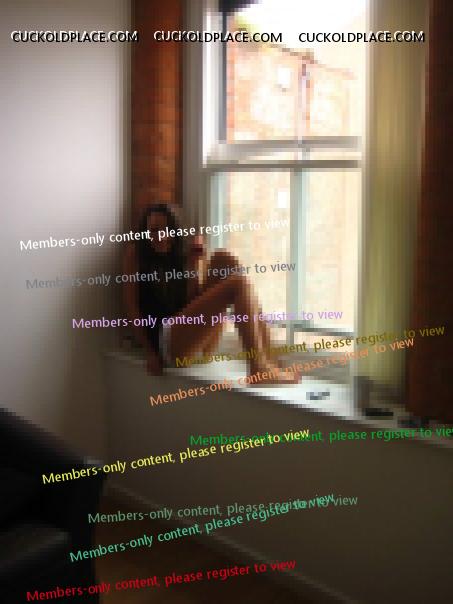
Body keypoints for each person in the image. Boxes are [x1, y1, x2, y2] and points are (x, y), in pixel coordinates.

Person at [123, 203, 299, 384]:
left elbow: (191, 303)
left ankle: (269, 360)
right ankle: (257, 367)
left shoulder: (179, 254)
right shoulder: (136, 254)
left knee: (223, 259)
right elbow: (132, 309)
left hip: (193, 341)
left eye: (167, 230)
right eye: (154, 230)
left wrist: (194, 265)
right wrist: (150, 353)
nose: (161, 236)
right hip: (168, 345)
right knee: (238, 282)